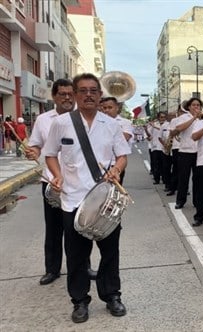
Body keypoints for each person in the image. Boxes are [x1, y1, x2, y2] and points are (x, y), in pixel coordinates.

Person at [42, 73, 131, 323]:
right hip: (73, 199)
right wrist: (57, 175)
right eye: (83, 90)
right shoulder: (61, 123)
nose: (89, 94)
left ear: (100, 95)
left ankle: (112, 295)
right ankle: (80, 300)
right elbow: (50, 154)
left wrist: (116, 169)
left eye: (93, 90)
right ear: (75, 94)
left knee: (110, 252)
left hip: (105, 200)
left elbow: (122, 155)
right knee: (77, 255)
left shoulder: (111, 124)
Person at [24, 78, 74, 285]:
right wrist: (32, 151)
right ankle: (52, 269)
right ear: (54, 96)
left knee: (78, 227)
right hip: (52, 181)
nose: (67, 98)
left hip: (78, 183)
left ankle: (82, 266)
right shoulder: (43, 120)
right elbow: (36, 145)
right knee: (53, 227)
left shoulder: (82, 118)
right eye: (62, 94)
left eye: (70, 94)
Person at [171, 98, 200, 209]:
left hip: (199, 152)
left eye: (198, 105)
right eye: (194, 105)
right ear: (189, 107)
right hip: (185, 152)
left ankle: (197, 202)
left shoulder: (202, 118)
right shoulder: (183, 118)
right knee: (183, 178)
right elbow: (179, 129)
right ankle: (180, 201)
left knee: (197, 179)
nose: (196, 107)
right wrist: (193, 118)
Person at [100, 96, 133, 185]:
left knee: (114, 192)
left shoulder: (125, 122)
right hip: (100, 163)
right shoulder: (98, 121)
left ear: (117, 108)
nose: (106, 110)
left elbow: (125, 138)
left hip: (116, 163)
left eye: (110, 107)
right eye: (104, 108)